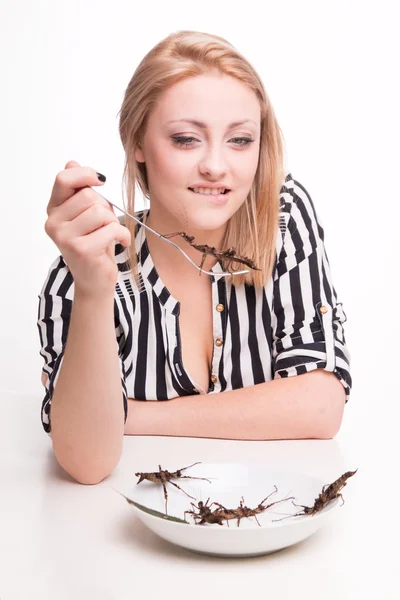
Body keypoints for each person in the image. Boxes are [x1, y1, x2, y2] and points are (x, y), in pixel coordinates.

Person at [37, 30, 352, 484]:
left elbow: (322, 408)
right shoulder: (83, 269)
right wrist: (92, 288)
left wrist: (132, 417)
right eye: (187, 139)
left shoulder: (283, 217)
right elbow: (87, 464)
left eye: (240, 140)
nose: (217, 166)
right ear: (137, 142)